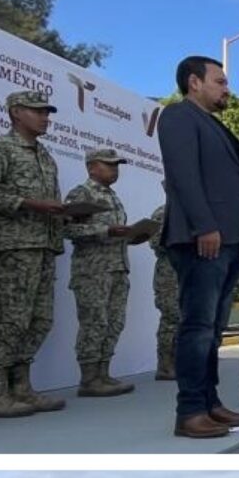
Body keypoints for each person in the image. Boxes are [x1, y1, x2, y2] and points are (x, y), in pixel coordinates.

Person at [157, 55, 239, 439]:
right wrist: (205, 226)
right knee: (198, 327)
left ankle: (211, 403)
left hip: (228, 240)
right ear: (194, 82)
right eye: (220, 81)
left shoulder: (212, 124)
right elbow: (182, 175)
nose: (227, 89)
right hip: (202, 238)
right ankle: (190, 412)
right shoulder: (178, 117)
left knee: (214, 329)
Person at [0, 90, 72, 419]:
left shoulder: (46, 156)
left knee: (38, 320)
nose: (45, 117)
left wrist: (67, 214)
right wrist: (29, 204)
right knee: (5, 320)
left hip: (43, 247)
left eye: (48, 112)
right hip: (8, 248)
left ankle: (22, 388)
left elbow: (50, 202)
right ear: (16, 112)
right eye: (37, 111)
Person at [63, 149, 137, 398]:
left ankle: (104, 373)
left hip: (117, 267)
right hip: (92, 270)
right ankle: (89, 378)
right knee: (94, 322)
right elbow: (67, 230)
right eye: (109, 165)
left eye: (116, 166)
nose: (114, 170)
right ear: (92, 167)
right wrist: (106, 231)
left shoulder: (113, 196)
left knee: (114, 322)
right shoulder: (81, 193)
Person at [150, 201, 179, 380]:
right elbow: (155, 242)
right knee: (171, 318)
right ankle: (165, 366)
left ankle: (182, 362)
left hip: (190, 272)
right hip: (169, 272)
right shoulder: (163, 212)